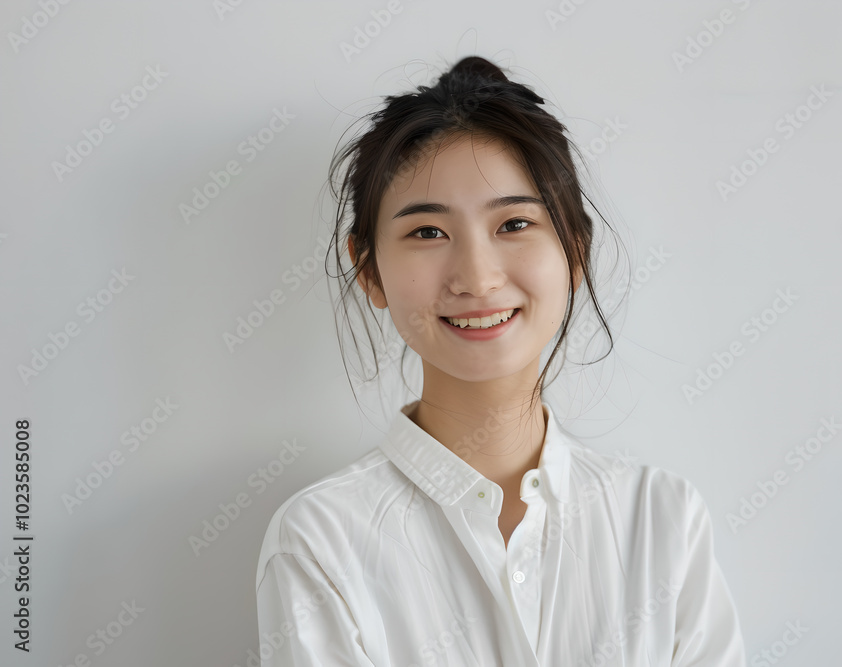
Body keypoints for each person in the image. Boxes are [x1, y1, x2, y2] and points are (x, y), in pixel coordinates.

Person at [255, 55, 746, 666]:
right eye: (428, 232)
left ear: (574, 251)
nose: (478, 278)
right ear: (370, 271)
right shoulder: (320, 539)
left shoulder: (661, 518)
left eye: (514, 223)